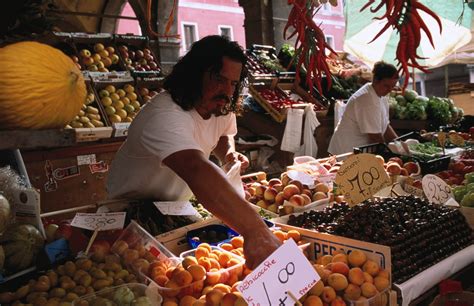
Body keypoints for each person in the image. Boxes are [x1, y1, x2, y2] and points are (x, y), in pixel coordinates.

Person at [107, 35, 280, 269]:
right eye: (219, 79)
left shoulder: (220, 106)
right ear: (195, 73)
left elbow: (221, 134)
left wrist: (227, 153)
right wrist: (256, 230)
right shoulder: (165, 115)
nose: (227, 91)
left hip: (175, 209)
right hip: (130, 215)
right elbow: (195, 167)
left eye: (233, 83)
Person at [328, 61, 399, 155]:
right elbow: (375, 136)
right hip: (346, 151)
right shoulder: (367, 99)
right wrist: (391, 154)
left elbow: (385, 126)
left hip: (359, 151)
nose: (390, 90)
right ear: (376, 80)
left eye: (392, 86)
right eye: (386, 86)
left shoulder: (381, 94)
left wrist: (399, 144)